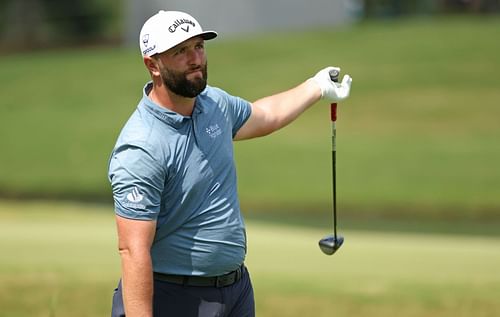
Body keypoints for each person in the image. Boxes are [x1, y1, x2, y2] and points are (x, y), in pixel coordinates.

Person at [108, 10, 352, 317]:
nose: (195, 58)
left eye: (198, 46)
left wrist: (316, 86)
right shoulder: (142, 146)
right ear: (152, 65)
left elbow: (265, 115)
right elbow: (133, 251)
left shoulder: (213, 104)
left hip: (235, 290)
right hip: (173, 297)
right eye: (180, 51)